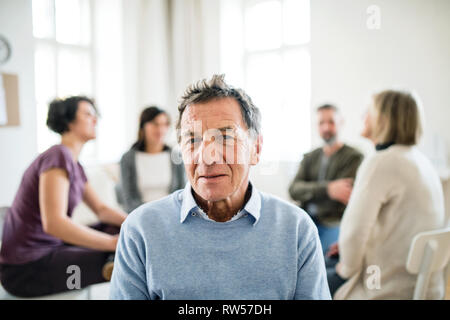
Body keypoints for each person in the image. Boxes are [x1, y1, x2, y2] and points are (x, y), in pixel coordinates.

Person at [110, 75, 331, 300]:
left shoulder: (297, 229)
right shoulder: (139, 230)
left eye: (225, 137)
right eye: (193, 140)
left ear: (255, 148)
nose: (207, 156)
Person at [0, 96, 127, 298]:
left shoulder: (74, 163)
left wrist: (136, 223)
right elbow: (55, 224)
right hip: (25, 269)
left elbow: (101, 210)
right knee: (126, 253)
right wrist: (111, 243)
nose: (95, 120)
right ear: (68, 120)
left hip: (51, 249)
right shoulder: (58, 155)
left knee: (119, 228)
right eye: (88, 114)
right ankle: (112, 261)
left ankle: (111, 261)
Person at [326, 89, 446, 299]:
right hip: (426, 286)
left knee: (303, 280)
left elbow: (354, 235)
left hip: (383, 286)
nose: (362, 115)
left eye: (368, 111)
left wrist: (344, 266)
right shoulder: (421, 161)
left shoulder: (380, 162)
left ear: (384, 118)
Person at [288, 104, 363, 254]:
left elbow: (344, 194)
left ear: (341, 123)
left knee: (321, 259)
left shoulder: (354, 157)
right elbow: (294, 189)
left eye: (331, 122)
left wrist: (310, 190)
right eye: (321, 123)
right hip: (306, 219)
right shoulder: (310, 157)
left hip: (334, 223)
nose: (326, 128)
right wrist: (328, 189)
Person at [117, 106, 186, 213]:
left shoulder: (176, 156)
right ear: (143, 126)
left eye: (165, 124)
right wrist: (151, 215)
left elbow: (182, 193)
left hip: (172, 214)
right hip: (140, 216)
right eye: (155, 124)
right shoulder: (128, 158)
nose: (160, 129)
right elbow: (128, 200)